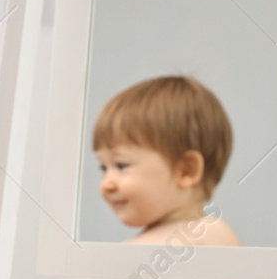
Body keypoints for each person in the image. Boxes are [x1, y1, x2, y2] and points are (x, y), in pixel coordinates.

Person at [93, 75, 240, 246]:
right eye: (103, 168)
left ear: (186, 171)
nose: (106, 185)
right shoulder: (137, 243)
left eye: (121, 165)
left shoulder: (210, 233)